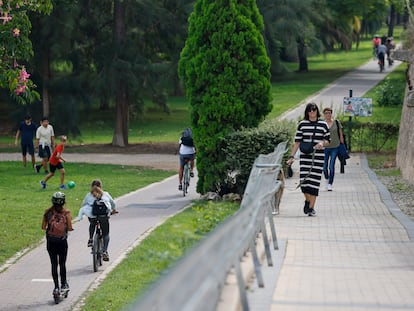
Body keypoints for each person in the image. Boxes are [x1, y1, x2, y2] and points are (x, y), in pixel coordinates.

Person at [286, 103, 330, 216]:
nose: (312, 112)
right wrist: (291, 157)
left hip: (318, 157)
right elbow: (297, 142)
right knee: (304, 183)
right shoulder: (302, 124)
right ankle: (307, 200)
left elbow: (328, 140)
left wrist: (322, 143)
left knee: (314, 183)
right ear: (307, 112)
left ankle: (311, 208)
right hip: (305, 157)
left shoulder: (323, 124)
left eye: (314, 110)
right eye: (310, 111)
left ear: (317, 111)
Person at [41, 192, 73, 296]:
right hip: (62, 242)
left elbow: (43, 227)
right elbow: (69, 227)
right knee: (62, 264)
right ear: (63, 201)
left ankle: (56, 287)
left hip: (51, 242)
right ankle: (64, 284)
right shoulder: (66, 213)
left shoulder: (48, 212)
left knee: (54, 264)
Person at [78, 179, 117, 261]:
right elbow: (113, 204)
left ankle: (91, 239)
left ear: (91, 187)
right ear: (101, 186)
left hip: (93, 216)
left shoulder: (88, 195)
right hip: (103, 217)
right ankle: (105, 251)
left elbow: (83, 205)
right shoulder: (105, 194)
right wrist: (113, 210)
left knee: (92, 223)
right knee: (106, 234)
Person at [322, 107, 344, 191]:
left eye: (329, 113)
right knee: (324, 167)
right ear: (324, 114)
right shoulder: (322, 124)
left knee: (331, 166)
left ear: (331, 113)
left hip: (335, 146)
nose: (328, 114)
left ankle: (330, 183)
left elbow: (340, 134)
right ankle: (327, 179)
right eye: (326, 113)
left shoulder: (336, 122)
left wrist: (342, 144)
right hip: (325, 148)